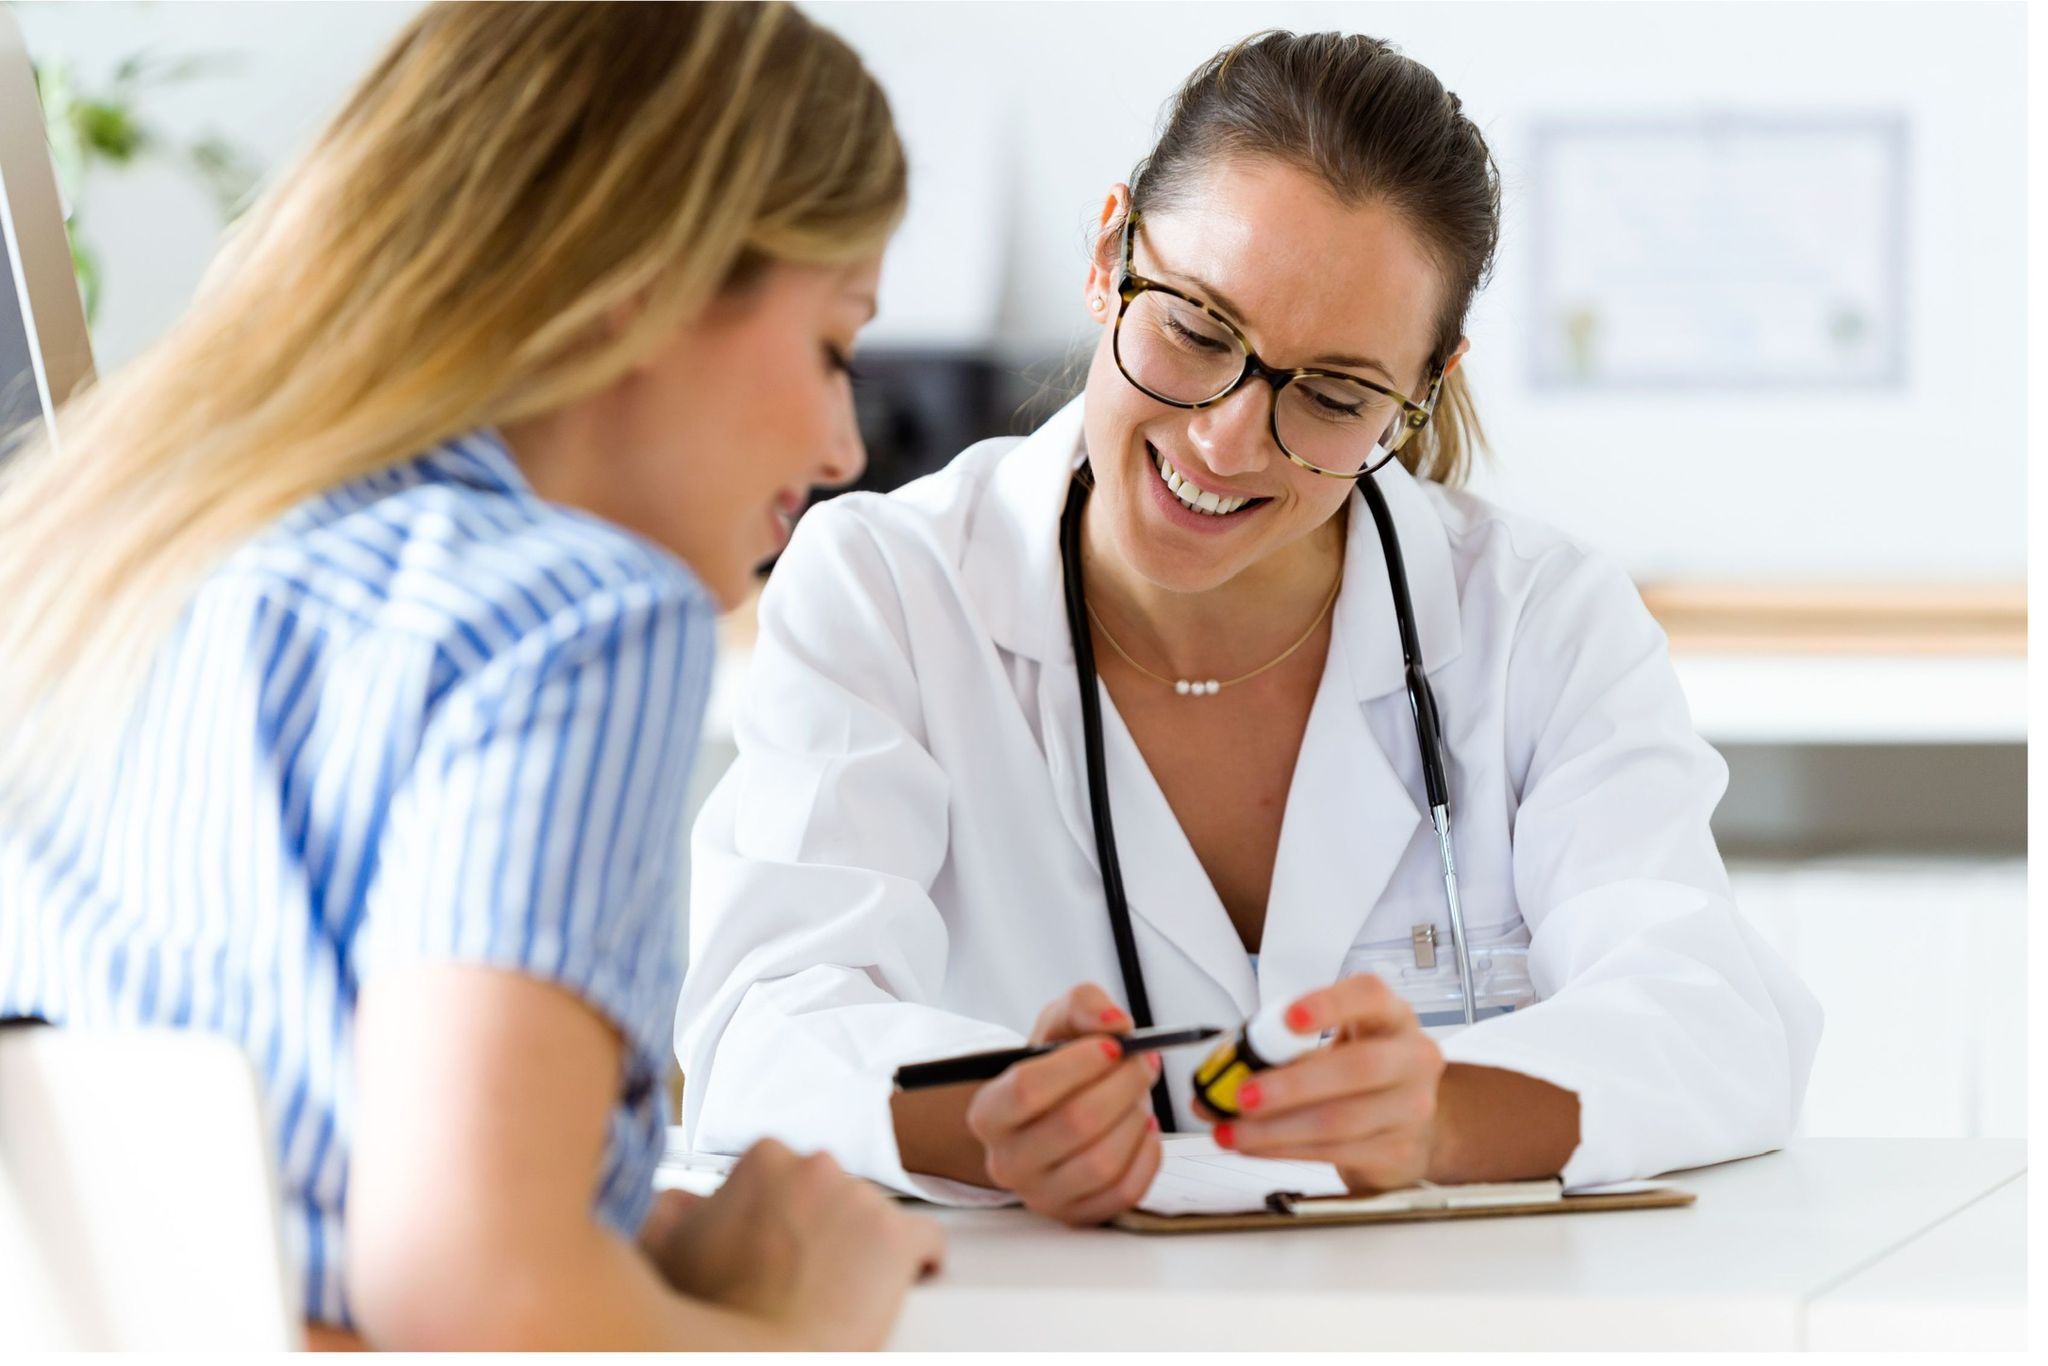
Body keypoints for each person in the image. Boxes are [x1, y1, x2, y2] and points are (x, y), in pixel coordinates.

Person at [677, 29, 1823, 1225]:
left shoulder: (1538, 618)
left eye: (1331, 394)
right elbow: (763, 1027)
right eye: (1195, 330)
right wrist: (992, 1120)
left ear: (1420, 386)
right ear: (1110, 256)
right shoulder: (887, 590)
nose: (1225, 440)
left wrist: (1439, 1118)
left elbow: (1711, 1018)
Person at [0, 2, 940, 1349]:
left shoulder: (108, 560)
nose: (846, 445)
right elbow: (477, 1294)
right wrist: (801, 1325)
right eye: (833, 347)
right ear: (649, 277)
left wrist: (609, 1238)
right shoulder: (579, 619)